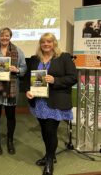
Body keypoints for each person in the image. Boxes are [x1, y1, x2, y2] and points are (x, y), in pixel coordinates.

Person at [25, 33, 77, 175]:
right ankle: (50, 154)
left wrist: (55, 80)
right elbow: (28, 78)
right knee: (44, 130)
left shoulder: (64, 57)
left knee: (50, 131)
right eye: (43, 42)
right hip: (39, 101)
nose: (46, 44)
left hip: (55, 100)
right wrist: (28, 91)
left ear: (54, 43)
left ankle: (49, 160)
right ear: (40, 44)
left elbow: (73, 77)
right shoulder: (35, 59)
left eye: (49, 41)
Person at [0, 27, 26, 155]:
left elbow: (24, 68)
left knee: (10, 116)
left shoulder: (18, 51)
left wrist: (17, 70)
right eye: (2, 36)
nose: (4, 38)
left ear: (10, 37)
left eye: (7, 36)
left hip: (11, 89)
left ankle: (10, 141)